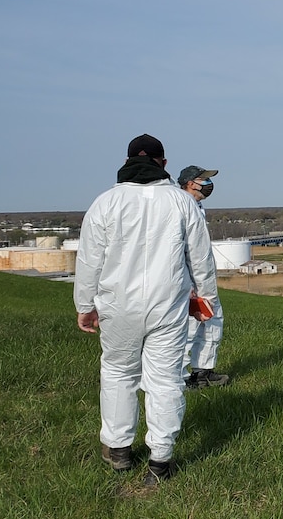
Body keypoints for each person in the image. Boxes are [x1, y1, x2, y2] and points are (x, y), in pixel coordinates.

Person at [74, 134, 218, 487]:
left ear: (125, 161)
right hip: (168, 305)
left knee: (119, 373)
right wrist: (206, 298)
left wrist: (84, 305)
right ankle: (160, 459)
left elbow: (89, 259)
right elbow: (200, 257)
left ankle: (120, 449)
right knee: (165, 380)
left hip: (116, 304)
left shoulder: (105, 203)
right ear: (163, 164)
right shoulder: (181, 203)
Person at [177, 165, 229, 389]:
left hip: (204, 278)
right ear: (190, 183)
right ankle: (179, 378)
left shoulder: (196, 206)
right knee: (187, 328)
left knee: (212, 321)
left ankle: (204, 371)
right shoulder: (178, 206)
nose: (208, 185)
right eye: (203, 180)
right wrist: (186, 282)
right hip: (187, 280)